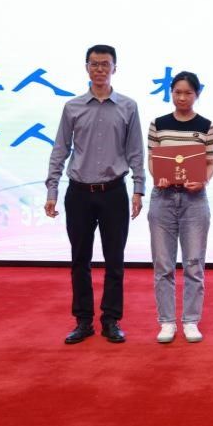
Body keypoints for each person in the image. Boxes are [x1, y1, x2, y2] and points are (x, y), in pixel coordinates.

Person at [45, 44, 145, 345]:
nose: (99, 69)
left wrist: (139, 188)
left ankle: (111, 320)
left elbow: (135, 151)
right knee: (80, 259)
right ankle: (83, 320)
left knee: (115, 260)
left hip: (114, 192)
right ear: (86, 67)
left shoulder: (128, 107)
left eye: (105, 64)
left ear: (115, 68)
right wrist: (52, 189)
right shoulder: (72, 107)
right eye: (94, 64)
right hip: (79, 193)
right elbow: (60, 149)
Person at [147, 71, 213, 344]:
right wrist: (158, 176)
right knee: (163, 264)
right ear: (171, 93)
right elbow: (153, 158)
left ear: (197, 94)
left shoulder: (207, 126)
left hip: (194, 201)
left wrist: (203, 180)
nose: (182, 97)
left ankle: (190, 320)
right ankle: (166, 321)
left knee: (193, 263)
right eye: (177, 92)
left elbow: (210, 162)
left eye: (188, 92)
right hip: (163, 197)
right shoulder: (158, 124)